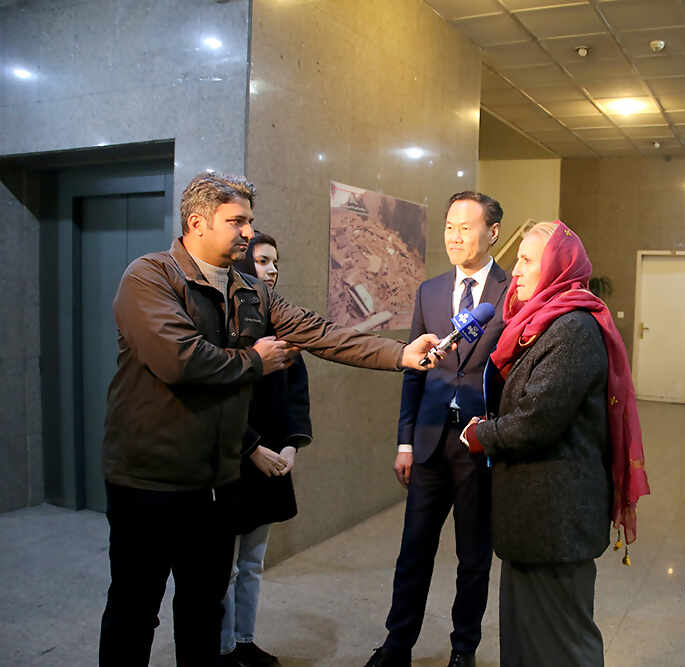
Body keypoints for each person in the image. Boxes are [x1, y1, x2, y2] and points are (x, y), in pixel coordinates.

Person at [99, 172, 444, 667]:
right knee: (134, 610)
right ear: (197, 223)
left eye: (249, 221)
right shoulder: (150, 277)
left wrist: (401, 354)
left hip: (216, 482)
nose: (247, 231)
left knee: (203, 608)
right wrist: (255, 361)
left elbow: (320, 332)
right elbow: (180, 361)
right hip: (148, 480)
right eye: (236, 221)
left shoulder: (250, 291)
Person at [460, 221, 651, 667]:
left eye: (527, 260)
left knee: (563, 645)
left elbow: (537, 421)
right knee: (525, 638)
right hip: (534, 521)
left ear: (558, 267)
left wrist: (481, 435)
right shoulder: (540, 323)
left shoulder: (573, 328)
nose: (515, 270)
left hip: (556, 522)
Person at [366, 192, 507, 667]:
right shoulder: (430, 291)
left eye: (466, 227)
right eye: (449, 226)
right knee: (413, 551)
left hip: (479, 443)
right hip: (428, 439)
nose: (454, 237)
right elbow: (414, 371)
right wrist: (404, 441)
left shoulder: (512, 292)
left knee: (473, 557)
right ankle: (397, 645)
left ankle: (463, 649)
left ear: (493, 233)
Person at [218, 232, 308, 667]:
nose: (272, 270)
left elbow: (297, 395)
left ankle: (244, 641)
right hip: (232, 463)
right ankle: (221, 649)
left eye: (275, 262)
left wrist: (291, 445)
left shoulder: (281, 322)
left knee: (253, 563)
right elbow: (217, 400)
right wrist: (253, 448)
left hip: (272, 462)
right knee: (222, 567)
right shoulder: (223, 323)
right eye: (262, 261)